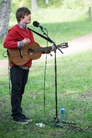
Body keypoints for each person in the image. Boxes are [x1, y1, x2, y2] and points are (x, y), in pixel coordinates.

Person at [3, 7, 53, 124]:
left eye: (29, 14)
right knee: (16, 90)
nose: (30, 17)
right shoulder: (14, 30)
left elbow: (33, 49)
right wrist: (21, 43)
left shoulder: (29, 31)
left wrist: (48, 49)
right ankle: (16, 116)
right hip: (16, 65)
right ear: (21, 17)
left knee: (21, 90)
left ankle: (19, 113)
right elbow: (6, 43)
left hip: (26, 64)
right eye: (27, 15)